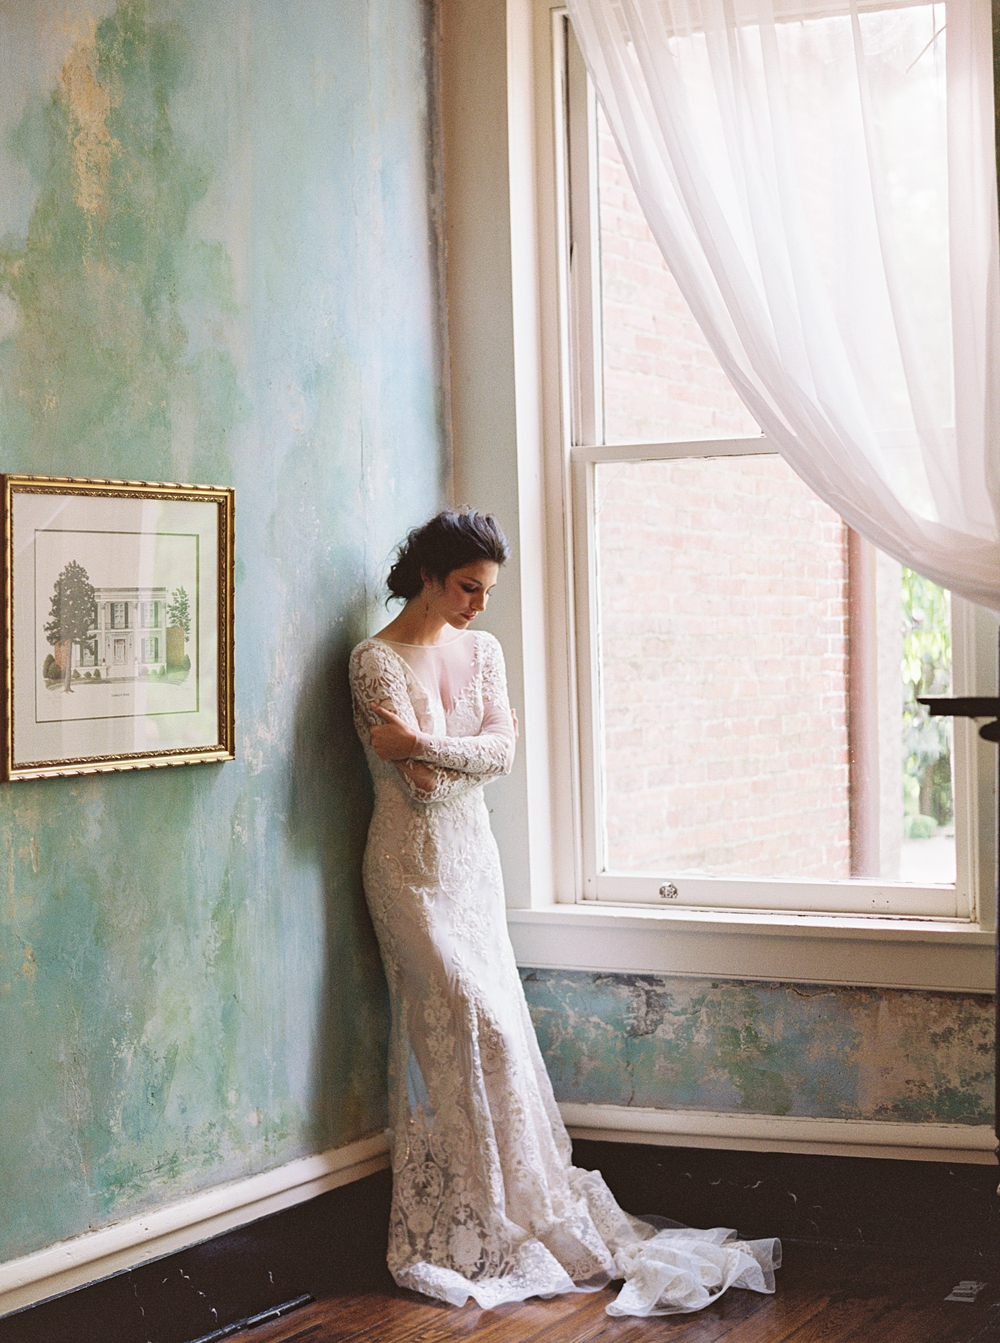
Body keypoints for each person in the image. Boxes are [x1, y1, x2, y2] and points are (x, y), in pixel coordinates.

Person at [348, 508, 780, 1316]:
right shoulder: (374, 660)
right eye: (468, 587)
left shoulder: (485, 651)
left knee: (503, 1040)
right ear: (428, 577)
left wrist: (423, 743)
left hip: (473, 868)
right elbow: (422, 790)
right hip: (409, 874)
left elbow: (502, 754)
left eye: (488, 589)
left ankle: (524, 1204)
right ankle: (468, 1217)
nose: (480, 604)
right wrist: (448, 756)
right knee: (463, 1026)